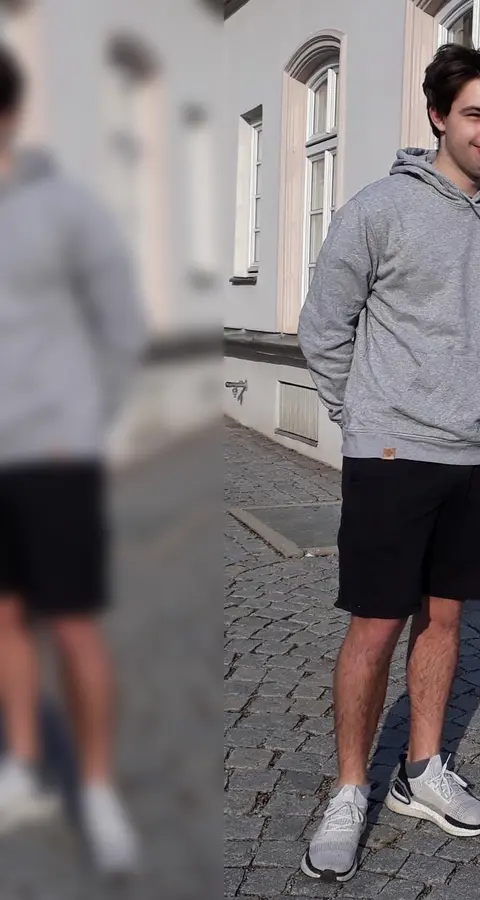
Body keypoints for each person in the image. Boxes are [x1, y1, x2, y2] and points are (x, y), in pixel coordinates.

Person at [296, 44, 480, 882]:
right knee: (374, 624)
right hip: (394, 452)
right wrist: (363, 420)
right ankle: (351, 788)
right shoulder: (380, 209)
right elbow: (323, 326)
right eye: (476, 114)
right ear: (439, 116)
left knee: (447, 620)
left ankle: (421, 770)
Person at [0, 43, 147, 874]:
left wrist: (81, 424)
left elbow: (121, 326)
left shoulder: (63, 210)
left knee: (75, 629)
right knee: (5, 617)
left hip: (53, 455)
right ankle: (22, 763)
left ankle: (95, 788)